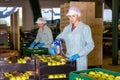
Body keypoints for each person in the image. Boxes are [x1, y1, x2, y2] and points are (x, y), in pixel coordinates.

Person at [50, 6, 94, 70]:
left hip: (80, 60)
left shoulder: (85, 28)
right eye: (69, 16)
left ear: (78, 16)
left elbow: (90, 45)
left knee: (79, 77)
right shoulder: (67, 28)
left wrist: (79, 54)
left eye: (73, 16)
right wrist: (54, 45)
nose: (71, 18)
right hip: (68, 59)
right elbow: (59, 38)